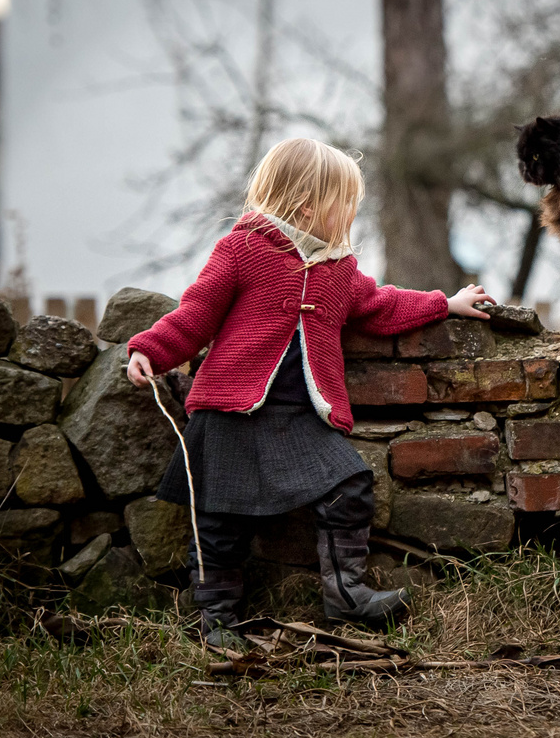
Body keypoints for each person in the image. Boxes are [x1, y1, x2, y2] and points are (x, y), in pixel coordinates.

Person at [125, 138, 493, 648]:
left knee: (349, 483)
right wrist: (150, 349)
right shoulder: (242, 249)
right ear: (306, 205)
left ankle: (347, 594)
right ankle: (217, 620)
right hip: (230, 410)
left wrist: (444, 304)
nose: (352, 214)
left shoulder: (338, 270)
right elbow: (196, 314)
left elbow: (382, 305)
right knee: (218, 522)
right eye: (344, 203)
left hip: (300, 417)